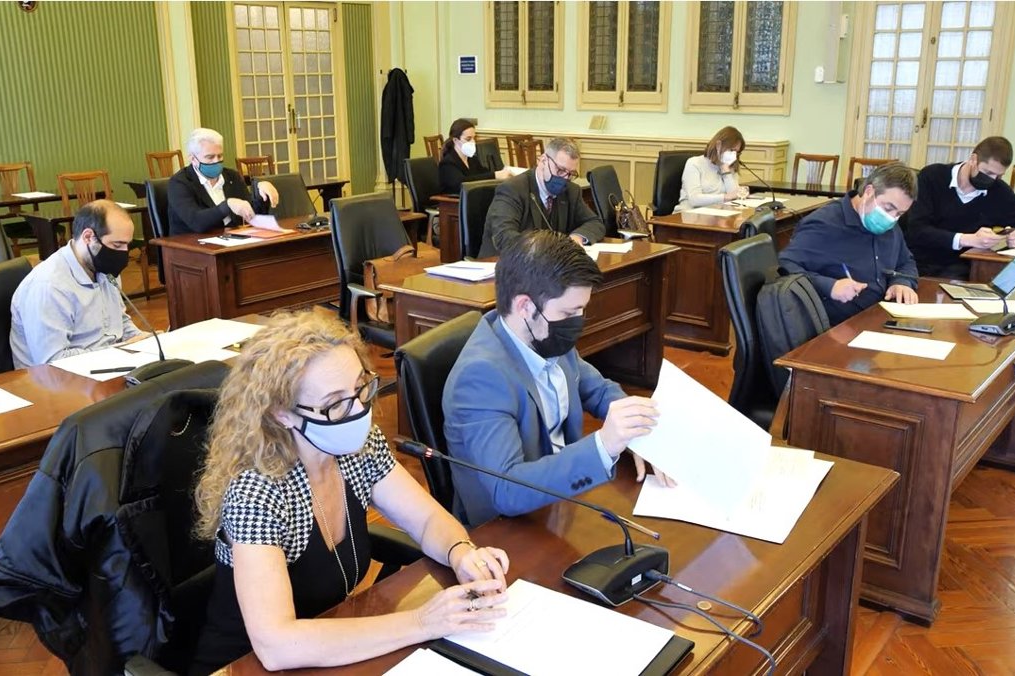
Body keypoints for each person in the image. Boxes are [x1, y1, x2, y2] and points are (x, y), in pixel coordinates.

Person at [190, 312, 509, 673]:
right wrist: (422, 622)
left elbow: (426, 519)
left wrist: (461, 552)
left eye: (361, 388)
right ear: (282, 414)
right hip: (244, 666)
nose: (359, 412)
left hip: (329, 648)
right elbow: (277, 645)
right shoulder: (256, 492)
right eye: (335, 403)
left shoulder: (357, 449)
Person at [443, 231, 670, 527]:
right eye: (569, 312)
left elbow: (599, 390)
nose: (578, 322)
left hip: (562, 499)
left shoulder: (546, 335)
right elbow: (507, 488)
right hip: (508, 527)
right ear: (525, 307)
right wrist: (604, 444)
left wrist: (636, 428)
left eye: (582, 310)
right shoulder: (480, 378)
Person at [779, 163, 921, 325]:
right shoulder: (824, 224)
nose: (891, 218)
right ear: (869, 192)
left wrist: (902, 283)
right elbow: (784, 265)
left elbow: (906, 261)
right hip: (837, 327)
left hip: (882, 318)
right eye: (888, 208)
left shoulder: (890, 225)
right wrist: (830, 286)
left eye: (899, 213)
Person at [9, 200, 146, 367]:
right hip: (56, 377)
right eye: (117, 245)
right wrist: (119, 350)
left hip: (106, 364)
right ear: (88, 237)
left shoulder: (104, 267)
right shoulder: (50, 285)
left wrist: (144, 341)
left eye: (127, 245)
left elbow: (120, 322)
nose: (124, 253)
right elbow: (53, 361)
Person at [904, 136, 1015, 278]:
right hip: (918, 262)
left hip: (964, 269)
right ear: (973, 159)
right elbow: (917, 229)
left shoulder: (999, 191)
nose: (992, 179)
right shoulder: (932, 176)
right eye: (988, 173)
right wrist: (968, 239)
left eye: (999, 176)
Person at [481, 137, 606, 258]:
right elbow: (504, 236)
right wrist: (545, 248)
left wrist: (577, 237)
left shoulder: (571, 191)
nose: (564, 178)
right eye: (560, 170)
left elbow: (595, 223)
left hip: (550, 266)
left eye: (570, 173)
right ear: (543, 161)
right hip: (501, 264)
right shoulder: (512, 189)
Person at [167, 128, 281, 236]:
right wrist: (228, 205)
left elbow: (251, 215)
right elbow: (196, 222)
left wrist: (261, 194)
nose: (216, 161)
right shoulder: (179, 183)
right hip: (191, 244)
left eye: (220, 156)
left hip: (232, 240)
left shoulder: (231, 176)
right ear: (193, 159)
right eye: (210, 157)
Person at [676, 126, 750, 211]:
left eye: (736, 152)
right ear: (718, 145)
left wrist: (726, 171)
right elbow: (694, 200)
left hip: (717, 213)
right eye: (731, 150)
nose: (734, 154)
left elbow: (734, 196)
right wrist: (724, 197)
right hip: (689, 213)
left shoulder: (729, 167)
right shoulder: (694, 163)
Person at [437, 119, 513, 195]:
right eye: (468, 139)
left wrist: (502, 172)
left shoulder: (471, 158)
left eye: (474, 138)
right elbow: (461, 184)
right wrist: (495, 175)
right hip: (456, 201)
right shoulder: (447, 163)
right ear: (456, 140)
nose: (473, 142)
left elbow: (483, 173)